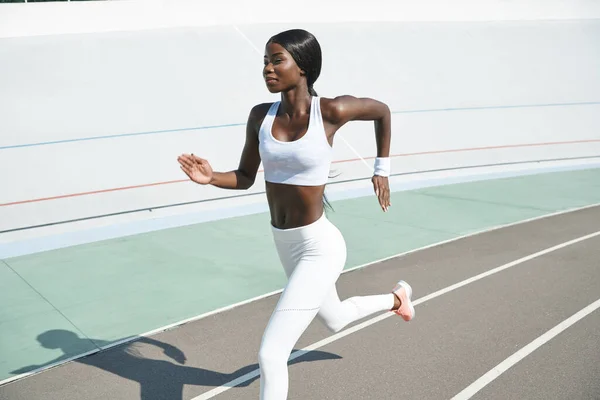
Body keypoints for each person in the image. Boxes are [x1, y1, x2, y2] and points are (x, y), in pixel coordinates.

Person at [177, 28, 415, 400]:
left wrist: (381, 168)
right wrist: (210, 178)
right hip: (286, 243)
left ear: (302, 67)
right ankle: (397, 299)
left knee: (271, 355)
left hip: (320, 247)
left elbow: (381, 111)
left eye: (277, 60)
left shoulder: (331, 111)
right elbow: (243, 177)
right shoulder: (260, 116)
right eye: (265, 62)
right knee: (334, 319)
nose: (268, 69)